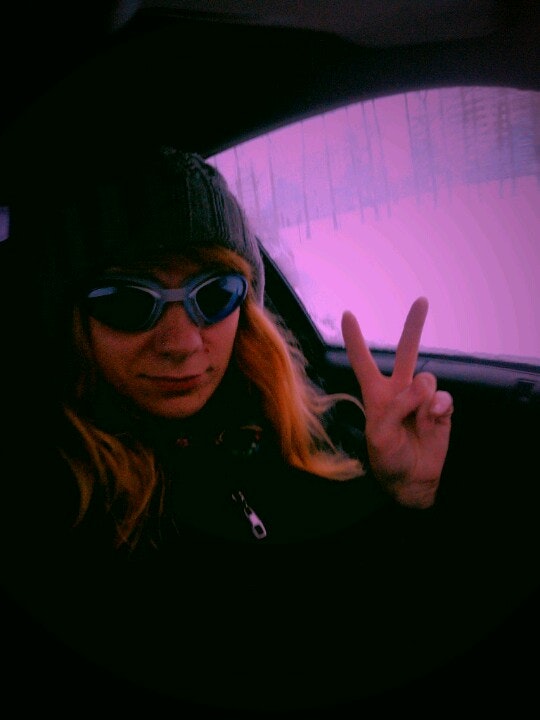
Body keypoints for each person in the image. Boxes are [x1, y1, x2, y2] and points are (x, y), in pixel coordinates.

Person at [0, 146, 454, 712]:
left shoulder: (319, 431)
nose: (183, 343)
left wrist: (408, 496)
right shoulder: (49, 497)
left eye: (214, 295)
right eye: (127, 302)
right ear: (70, 319)